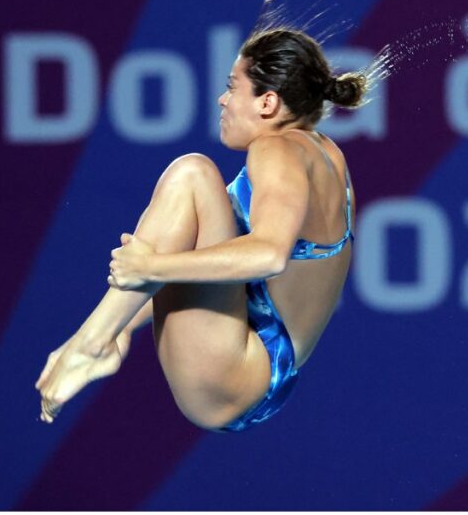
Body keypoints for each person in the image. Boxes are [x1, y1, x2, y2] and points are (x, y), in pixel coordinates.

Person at [36, 26, 365, 432]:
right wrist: (131, 314)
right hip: (259, 375)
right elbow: (233, 270)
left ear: (267, 102)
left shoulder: (275, 150)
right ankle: (102, 337)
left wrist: (151, 268)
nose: (222, 100)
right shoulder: (325, 153)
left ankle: (91, 344)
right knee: (201, 190)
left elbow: (269, 254)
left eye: (233, 87)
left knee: (192, 173)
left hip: (237, 374)